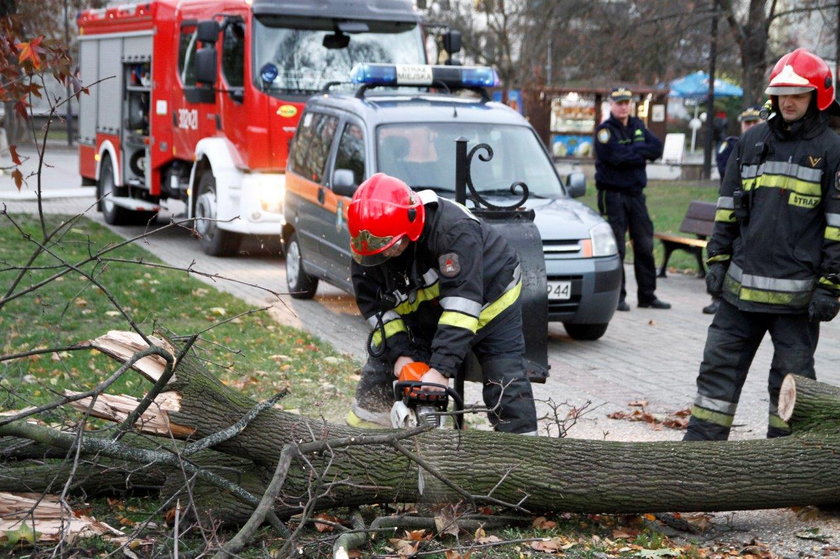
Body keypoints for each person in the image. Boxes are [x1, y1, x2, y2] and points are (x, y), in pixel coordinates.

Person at [684, 48, 840, 441]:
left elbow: (838, 226)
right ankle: (697, 461)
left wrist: (831, 284)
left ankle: (784, 471)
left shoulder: (832, 152)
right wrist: (717, 259)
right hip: (739, 294)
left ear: (818, 98)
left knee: (791, 388)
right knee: (716, 375)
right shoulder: (751, 142)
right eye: (782, 93)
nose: (788, 101)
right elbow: (727, 209)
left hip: (797, 301)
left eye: (798, 94)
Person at [345, 173, 538, 435]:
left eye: (390, 247)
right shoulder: (369, 245)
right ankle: (361, 443)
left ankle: (523, 459)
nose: (384, 255)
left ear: (410, 225)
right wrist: (400, 354)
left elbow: (462, 307)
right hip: (429, 310)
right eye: (378, 251)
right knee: (381, 372)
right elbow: (376, 308)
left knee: (503, 380)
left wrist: (440, 371)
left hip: (489, 303)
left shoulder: (453, 231)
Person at [594, 87, 670, 311]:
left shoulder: (638, 126)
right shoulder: (604, 131)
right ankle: (617, 297)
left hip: (636, 195)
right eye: (619, 103)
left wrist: (634, 152)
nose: (624, 106)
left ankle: (647, 295)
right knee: (618, 247)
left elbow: (656, 149)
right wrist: (640, 152)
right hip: (613, 195)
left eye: (627, 102)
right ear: (611, 105)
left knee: (645, 245)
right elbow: (615, 157)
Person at [703, 105, 763, 315]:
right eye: (747, 123)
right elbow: (724, 167)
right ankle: (717, 298)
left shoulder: (767, 145)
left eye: (755, 122)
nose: (750, 126)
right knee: (724, 250)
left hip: (755, 211)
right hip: (732, 209)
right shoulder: (731, 145)